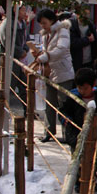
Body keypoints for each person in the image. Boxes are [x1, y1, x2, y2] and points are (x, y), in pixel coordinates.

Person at [61, 67, 97, 193]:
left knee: (93, 159)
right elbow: (63, 112)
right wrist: (66, 120)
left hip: (95, 135)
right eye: (80, 88)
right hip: (76, 135)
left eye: (85, 88)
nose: (82, 91)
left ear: (93, 84)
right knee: (77, 160)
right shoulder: (72, 97)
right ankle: (78, 181)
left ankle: (92, 178)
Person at [32, 9, 75, 143]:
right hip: (51, 72)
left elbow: (61, 49)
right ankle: (49, 131)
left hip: (63, 72)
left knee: (64, 105)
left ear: (51, 20)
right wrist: (40, 54)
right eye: (41, 24)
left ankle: (68, 133)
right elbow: (49, 51)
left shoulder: (62, 31)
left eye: (44, 23)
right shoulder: (47, 34)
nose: (43, 26)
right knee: (49, 103)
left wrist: (45, 56)